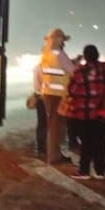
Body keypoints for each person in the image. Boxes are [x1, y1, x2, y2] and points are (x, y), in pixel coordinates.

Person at [66, 44, 105, 179]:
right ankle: (100, 170)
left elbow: (72, 91)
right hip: (103, 113)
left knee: (86, 142)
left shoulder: (80, 73)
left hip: (84, 113)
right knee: (100, 141)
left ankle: (84, 170)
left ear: (86, 56)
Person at [35, 28, 76, 163]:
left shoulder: (46, 54)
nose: (64, 42)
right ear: (59, 40)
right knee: (56, 126)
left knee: (52, 125)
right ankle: (54, 156)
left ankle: (54, 153)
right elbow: (73, 71)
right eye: (63, 40)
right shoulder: (59, 54)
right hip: (58, 95)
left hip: (48, 93)